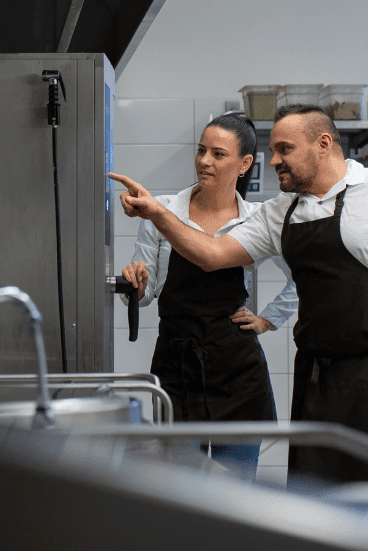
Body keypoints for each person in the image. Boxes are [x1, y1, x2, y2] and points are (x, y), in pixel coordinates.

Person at [111, 104, 368, 484]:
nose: (274, 160)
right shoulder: (281, 212)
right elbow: (211, 255)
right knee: (312, 494)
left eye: (284, 149)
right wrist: (157, 213)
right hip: (314, 374)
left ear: (323, 144)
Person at [119, 114, 298, 481]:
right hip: (177, 362)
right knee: (183, 488)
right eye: (201, 151)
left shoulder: (258, 219)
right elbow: (147, 292)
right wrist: (134, 283)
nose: (204, 161)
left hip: (236, 368)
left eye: (218, 154)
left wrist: (267, 319)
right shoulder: (162, 210)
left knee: (236, 492)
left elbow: (303, 277)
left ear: (245, 163)